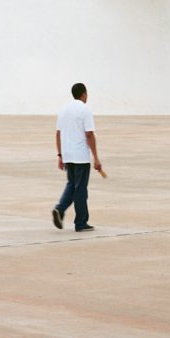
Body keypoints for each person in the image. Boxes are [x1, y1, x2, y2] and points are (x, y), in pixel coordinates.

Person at [51, 82, 102, 232]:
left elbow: (58, 134)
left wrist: (60, 155)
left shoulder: (63, 110)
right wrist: (96, 158)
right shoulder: (85, 110)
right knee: (80, 189)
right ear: (84, 94)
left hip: (68, 155)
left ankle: (60, 209)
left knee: (72, 185)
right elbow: (89, 135)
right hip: (80, 156)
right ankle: (80, 222)